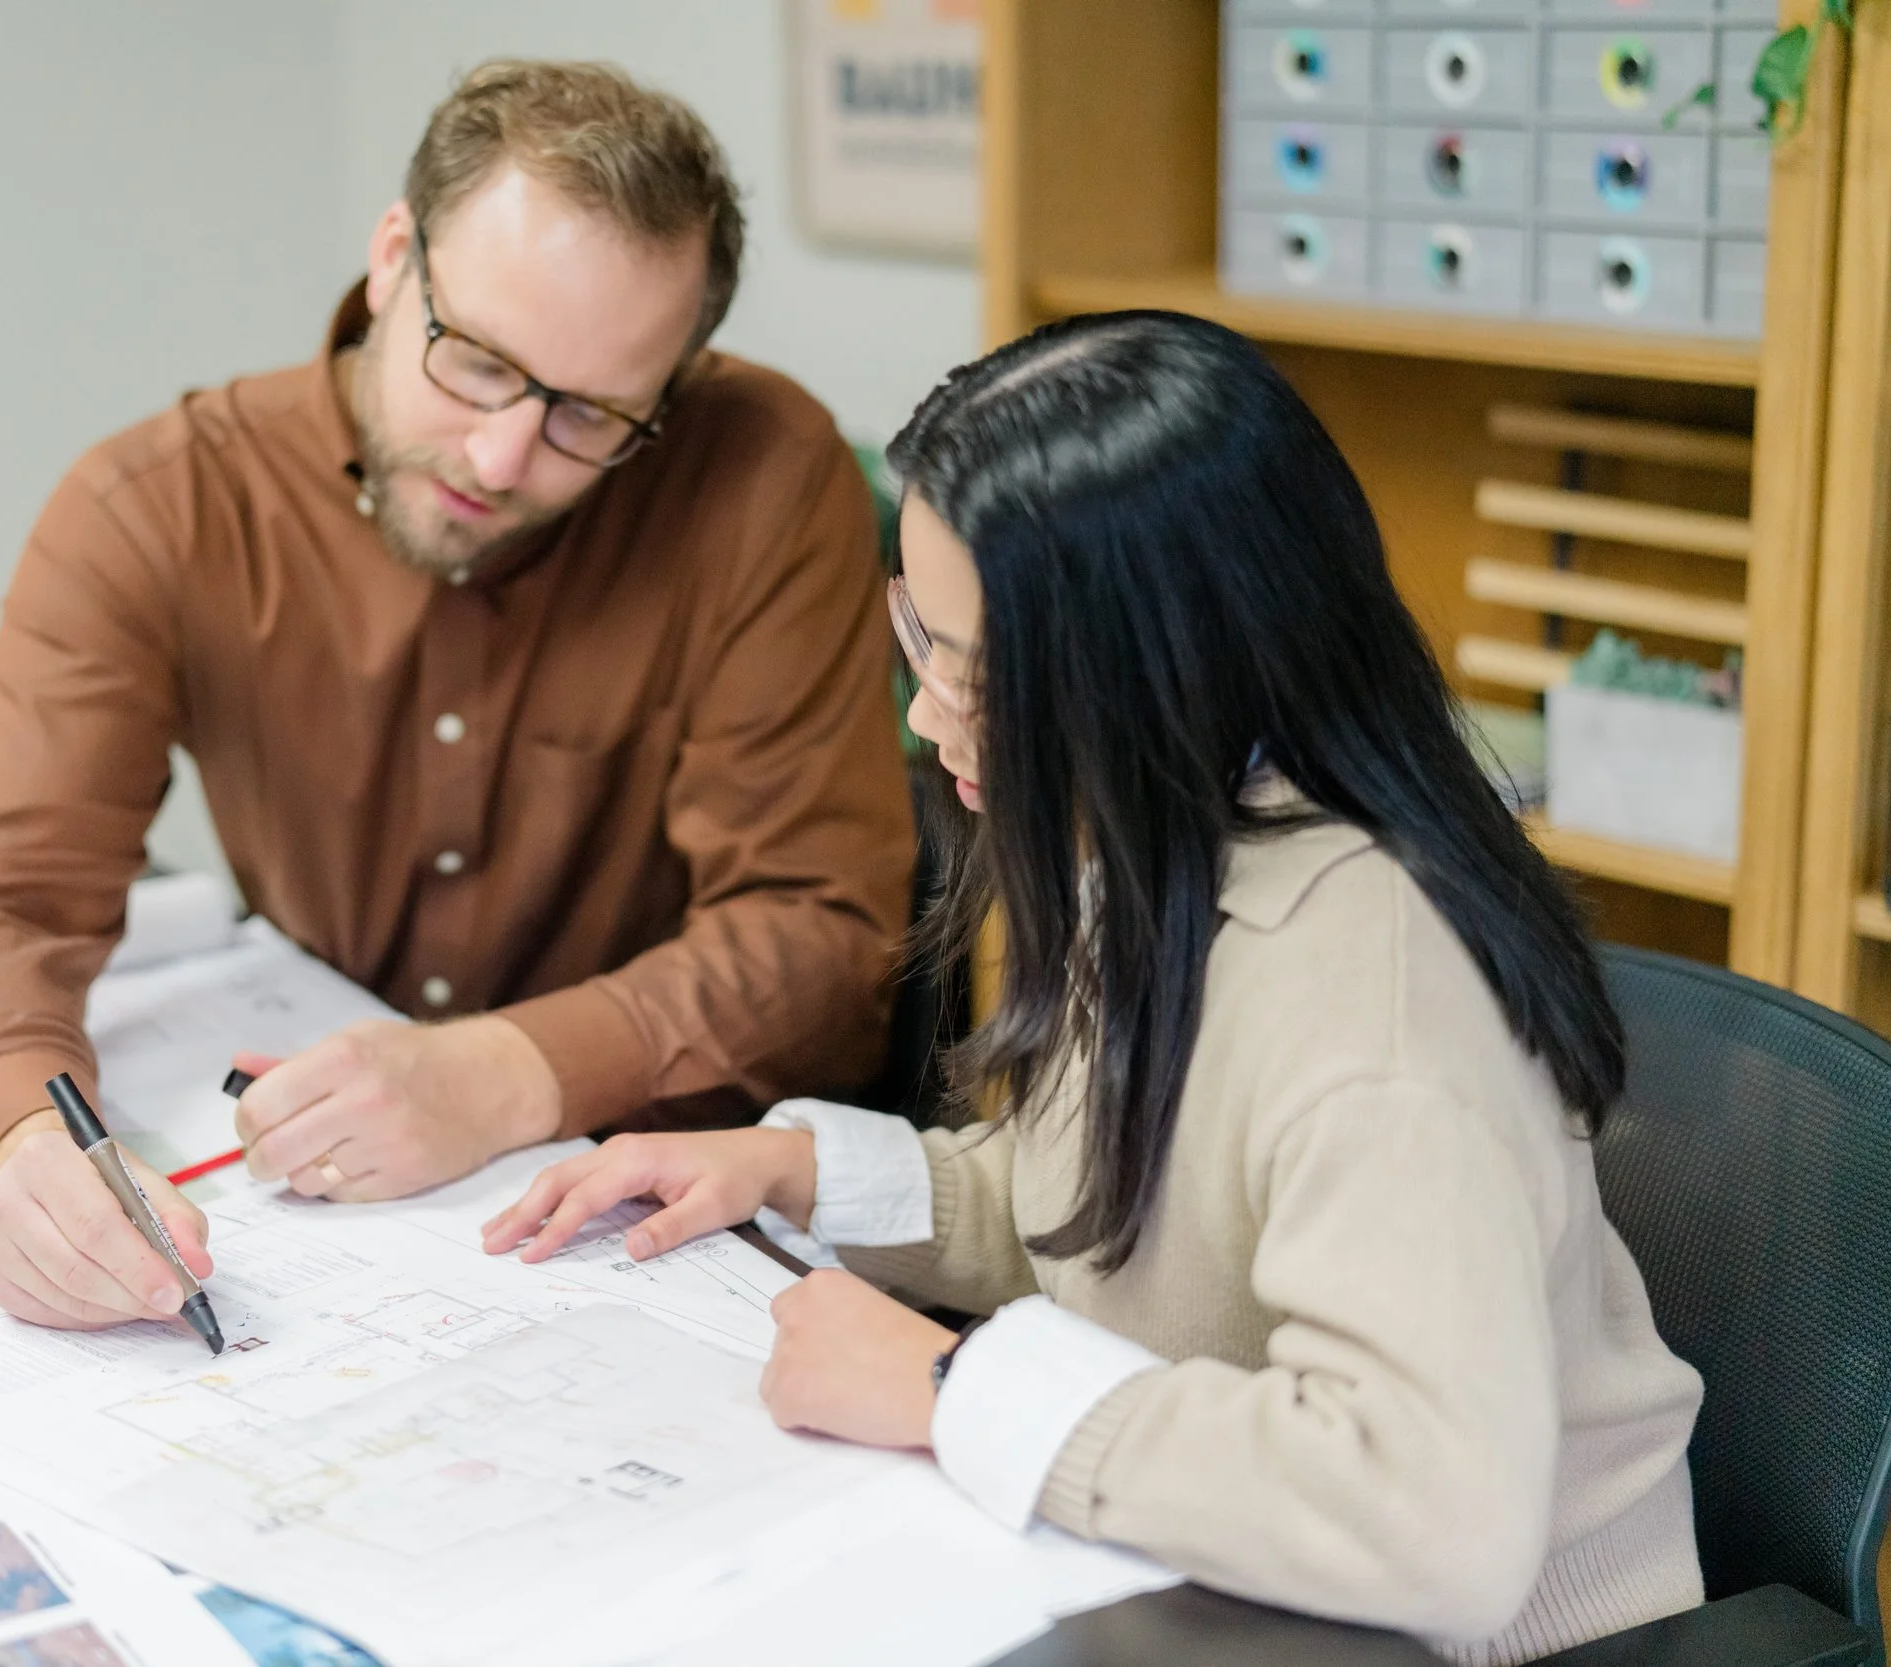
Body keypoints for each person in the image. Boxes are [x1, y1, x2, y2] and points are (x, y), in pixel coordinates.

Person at [483, 312, 1705, 1664]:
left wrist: (954, 1387)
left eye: (977, 670)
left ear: (1151, 675)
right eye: (917, 630)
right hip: (1228, 1589)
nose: (922, 711)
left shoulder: (1382, 1007)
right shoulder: (1162, 829)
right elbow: (1115, 1230)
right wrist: (792, 1172)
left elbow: (1432, 1520)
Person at [0, 61, 912, 1335]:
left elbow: (822, 935)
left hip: (651, 1234)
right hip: (317, 1222)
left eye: (591, 416)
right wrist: (16, 1142)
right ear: (390, 261)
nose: (501, 455)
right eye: (475, 361)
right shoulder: (161, 506)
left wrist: (506, 1069)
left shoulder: (761, 474)